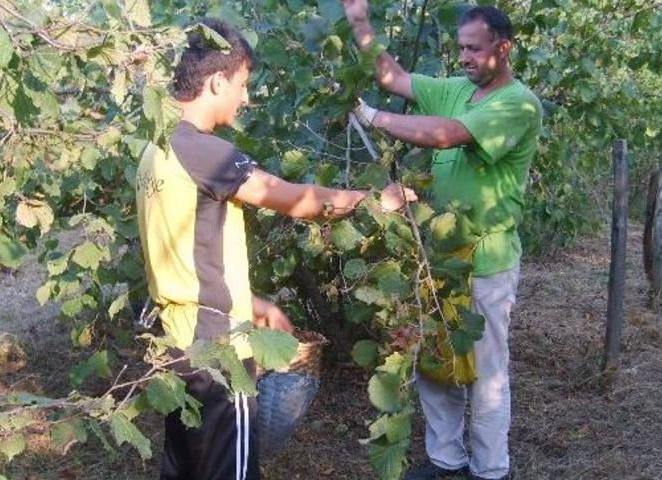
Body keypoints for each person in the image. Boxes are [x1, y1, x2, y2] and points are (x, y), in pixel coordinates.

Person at [135, 18, 417, 480]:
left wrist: (254, 303)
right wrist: (375, 202)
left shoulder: (158, 146)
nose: (245, 98)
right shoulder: (206, 151)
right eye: (242, 85)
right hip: (219, 351)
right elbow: (293, 198)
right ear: (216, 81)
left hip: (178, 341)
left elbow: (180, 246)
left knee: (187, 467)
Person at [342, 2, 542, 479]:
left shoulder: (518, 103)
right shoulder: (457, 89)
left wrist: (373, 117)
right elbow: (393, 77)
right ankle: (446, 462)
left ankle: (491, 471)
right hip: (440, 256)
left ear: (503, 47)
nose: (465, 58)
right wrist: (359, 22)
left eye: (475, 48)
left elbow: (448, 135)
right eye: (461, 49)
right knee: (437, 362)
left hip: (488, 261)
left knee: (487, 375)